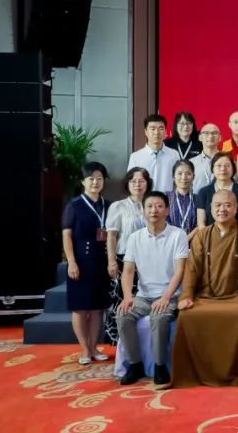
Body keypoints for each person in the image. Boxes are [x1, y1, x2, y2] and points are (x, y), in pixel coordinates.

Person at [172, 188, 238, 388]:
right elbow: (192, 269)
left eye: (228, 205)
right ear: (211, 208)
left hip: (236, 296)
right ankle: (194, 372)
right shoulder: (202, 235)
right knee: (186, 315)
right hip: (205, 295)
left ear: (236, 208)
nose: (222, 209)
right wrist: (186, 296)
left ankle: (236, 371)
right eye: (218, 205)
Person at [116, 191, 189, 386]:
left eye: (159, 206)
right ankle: (135, 365)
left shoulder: (178, 235)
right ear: (143, 211)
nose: (154, 210)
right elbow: (128, 271)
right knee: (123, 315)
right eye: (149, 206)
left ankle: (160, 366)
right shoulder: (135, 237)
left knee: (159, 317)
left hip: (171, 294)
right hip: (143, 296)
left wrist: (166, 297)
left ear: (167, 211)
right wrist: (127, 297)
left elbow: (180, 271)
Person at [62, 162, 112, 366]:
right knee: (80, 308)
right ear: (83, 181)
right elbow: (67, 236)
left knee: (98, 308)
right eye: (91, 179)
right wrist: (71, 262)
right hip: (81, 261)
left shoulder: (109, 205)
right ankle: (84, 348)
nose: (95, 182)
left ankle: (93, 347)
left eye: (99, 179)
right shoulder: (74, 205)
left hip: (102, 260)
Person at [106, 168, 151, 344]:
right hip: (123, 259)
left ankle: (142, 341)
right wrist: (111, 261)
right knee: (122, 300)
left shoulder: (152, 204)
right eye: (133, 181)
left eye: (141, 181)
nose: (137, 185)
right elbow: (111, 235)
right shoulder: (118, 206)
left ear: (147, 183)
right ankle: (119, 341)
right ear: (127, 184)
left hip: (148, 260)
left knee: (143, 300)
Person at [195, 152, 238, 229]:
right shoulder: (203, 192)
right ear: (212, 169)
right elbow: (201, 224)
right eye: (219, 166)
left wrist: (232, 235)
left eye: (227, 165)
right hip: (210, 235)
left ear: (233, 169)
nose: (223, 169)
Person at [128, 114, 181, 194]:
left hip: (167, 199)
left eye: (161, 128)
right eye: (152, 129)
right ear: (146, 132)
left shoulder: (174, 155)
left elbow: (178, 180)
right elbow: (131, 182)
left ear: (165, 131)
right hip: (144, 199)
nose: (157, 132)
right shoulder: (136, 157)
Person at [168, 160, 198, 236]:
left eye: (188, 173)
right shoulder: (165, 198)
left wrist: (186, 239)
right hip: (170, 240)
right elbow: (163, 222)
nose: (184, 177)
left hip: (193, 241)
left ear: (193, 177)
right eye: (180, 173)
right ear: (173, 177)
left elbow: (200, 224)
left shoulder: (198, 198)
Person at [190, 122, 222, 192]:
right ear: (200, 137)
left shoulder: (229, 162)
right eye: (206, 133)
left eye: (214, 133)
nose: (210, 136)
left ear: (220, 138)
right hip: (197, 198)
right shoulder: (190, 163)